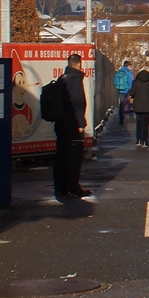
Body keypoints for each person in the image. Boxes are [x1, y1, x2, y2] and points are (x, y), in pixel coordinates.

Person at [53, 53, 91, 199]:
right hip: (72, 123)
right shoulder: (75, 79)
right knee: (74, 156)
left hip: (60, 123)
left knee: (61, 156)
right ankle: (73, 187)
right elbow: (78, 103)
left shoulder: (62, 78)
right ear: (79, 64)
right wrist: (80, 123)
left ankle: (60, 188)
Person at [127, 70, 149, 147]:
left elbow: (131, 92)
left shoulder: (136, 81)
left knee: (139, 123)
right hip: (148, 105)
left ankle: (138, 140)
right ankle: (145, 141)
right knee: (146, 123)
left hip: (138, 104)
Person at [114, 59, 134, 125]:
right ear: (128, 66)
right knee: (129, 103)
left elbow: (115, 82)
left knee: (122, 104)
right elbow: (131, 81)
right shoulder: (129, 73)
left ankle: (121, 118)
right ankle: (130, 118)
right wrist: (130, 89)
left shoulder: (119, 72)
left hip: (120, 90)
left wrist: (118, 88)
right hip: (127, 90)